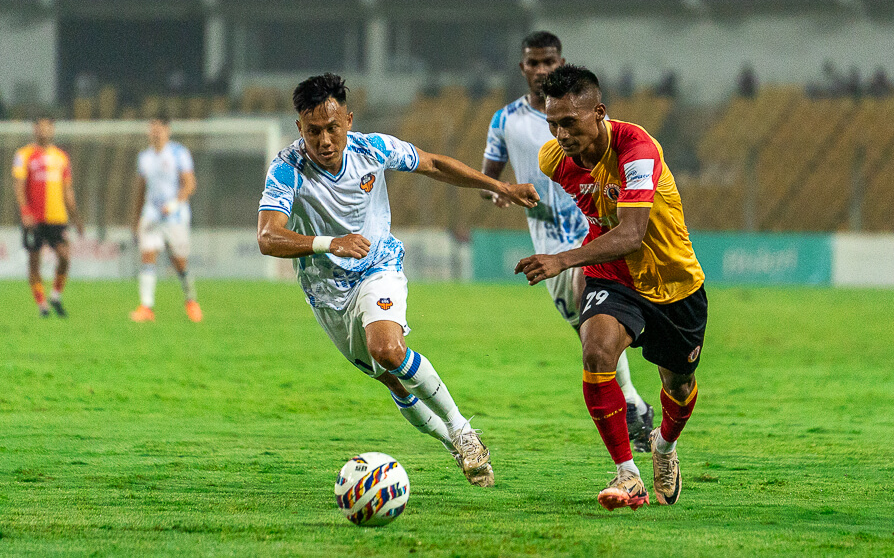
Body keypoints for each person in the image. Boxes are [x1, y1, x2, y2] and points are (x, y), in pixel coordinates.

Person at [257, 73, 540, 487]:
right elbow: (268, 237)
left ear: (348, 120)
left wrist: (501, 186)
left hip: (378, 266)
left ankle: (462, 429)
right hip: (328, 294)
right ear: (299, 127)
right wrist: (330, 243)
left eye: (332, 128)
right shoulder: (287, 169)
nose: (324, 141)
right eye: (313, 131)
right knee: (392, 378)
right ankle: (454, 444)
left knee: (388, 350)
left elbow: (434, 164)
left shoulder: (372, 149)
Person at [515, 65, 707, 511]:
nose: (561, 134)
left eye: (570, 122)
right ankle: (628, 474)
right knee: (597, 354)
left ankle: (663, 448)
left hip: (673, 281)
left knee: (679, 386)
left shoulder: (636, 149)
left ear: (599, 113)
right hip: (613, 275)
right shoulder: (553, 160)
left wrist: (561, 259)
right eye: (553, 124)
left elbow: (633, 233)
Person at [480, 31, 655, 452]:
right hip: (547, 237)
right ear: (523, 67)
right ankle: (633, 404)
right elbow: (489, 178)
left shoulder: (581, 113)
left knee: (592, 307)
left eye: (549, 62)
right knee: (581, 322)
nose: (541, 69)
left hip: (590, 227)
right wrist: (498, 193)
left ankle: (630, 403)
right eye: (533, 62)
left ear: (560, 63)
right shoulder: (504, 121)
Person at [130, 116, 202, 323]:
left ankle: (191, 301)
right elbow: (140, 189)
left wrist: (174, 204)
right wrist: (136, 219)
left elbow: (190, 184)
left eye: (159, 127)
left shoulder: (179, 153)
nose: (155, 131)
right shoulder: (144, 157)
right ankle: (146, 307)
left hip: (175, 216)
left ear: (167, 130)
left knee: (179, 262)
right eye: (152, 127)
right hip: (151, 214)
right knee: (147, 255)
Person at [12, 116, 84, 317]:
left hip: (57, 218)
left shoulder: (61, 157)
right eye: (41, 127)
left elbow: (67, 190)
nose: (44, 130)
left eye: (48, 127)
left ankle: (55, 296)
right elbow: (18, 186)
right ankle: (42, 305)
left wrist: (76, 217)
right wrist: (25, 212)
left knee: (65, 257)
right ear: (35, 129)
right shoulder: (23, 154)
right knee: (34, 261)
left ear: (53, 130)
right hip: (33, 219)